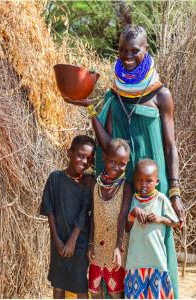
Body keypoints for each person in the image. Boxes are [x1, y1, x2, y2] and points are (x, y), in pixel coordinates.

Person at [64, 23, 184, 297]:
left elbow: (170, 146)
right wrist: (91, 110)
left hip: (153, 184)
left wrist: (174, 191)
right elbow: (107, 146)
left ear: (147, 50)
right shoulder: (114, 94)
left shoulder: (161, 94)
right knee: (121, 243)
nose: (127, 57)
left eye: (134, 51)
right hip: (120, 183)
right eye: (122, 51)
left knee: (154, 243)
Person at [40, 135, 96, 299]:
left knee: (80, 285)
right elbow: (49, 209)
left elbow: (84, 214)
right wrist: (57, 240)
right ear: (70, 152)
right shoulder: (55, 178)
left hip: (78, 242)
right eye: (80, 155)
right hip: (58, 239)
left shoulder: (86, 184)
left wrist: (72, 241)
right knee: (59, 284)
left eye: (89, 159)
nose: (84, 161)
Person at [124, 159, 179, 299]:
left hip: (157, 262)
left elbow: (176, 223)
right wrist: (133, 213)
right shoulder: (132, 200)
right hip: (135, 263)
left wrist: (160, 219)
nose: (143, 185)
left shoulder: (161, 200)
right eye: (139, 180)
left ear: (157, 182)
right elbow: (127, 228)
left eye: (149, 181)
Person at [87, 138, 133, 299]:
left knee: (116, 293)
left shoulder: (126, 187)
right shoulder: (95, 185)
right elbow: (93, 215)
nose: (116, 167)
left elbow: (122, 217)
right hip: (98, 246)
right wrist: (91, 244)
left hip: (116, 247)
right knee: (94, 290)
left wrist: (118, 247)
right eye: (112, 161)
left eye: (122, 163)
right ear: (104, 158)